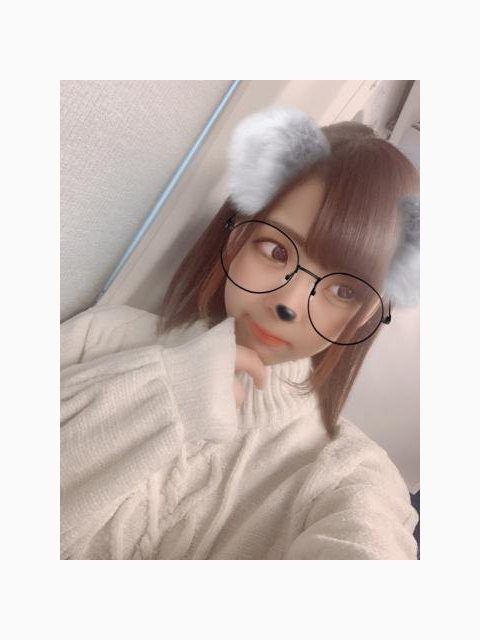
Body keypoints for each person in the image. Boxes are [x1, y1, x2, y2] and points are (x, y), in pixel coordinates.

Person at [60, 106, 420, 560]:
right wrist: (171, 393)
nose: (289, 304)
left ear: (366, 315)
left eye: (343, 290)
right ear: (236, 238)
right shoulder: (101, 337)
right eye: (276, 251)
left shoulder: (350, 476)